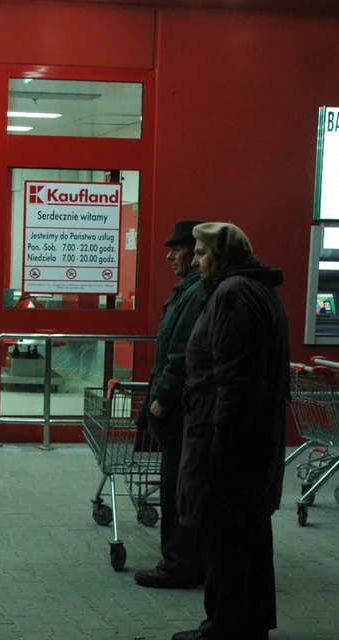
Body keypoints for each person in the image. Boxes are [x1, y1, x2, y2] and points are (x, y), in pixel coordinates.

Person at [171, 222, 289, 640]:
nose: (196, 261)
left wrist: (222, 441)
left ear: (219, 257)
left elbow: (235, 379)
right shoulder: (259, 290)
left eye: (201, 254)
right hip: (256, 430)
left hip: (228, 431)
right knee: (250, 529)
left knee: (223, 530)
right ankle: (253, 619)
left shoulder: (233, 294)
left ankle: (222, 627)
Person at [133, 219, 207, 590]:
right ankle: (187, 559)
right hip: (184, 408)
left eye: (176, 248)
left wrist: (162, 398)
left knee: (177, 487)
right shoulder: (189, 291)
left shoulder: (195, 294)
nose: (169, 255)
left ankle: (178, 563)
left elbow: (181, 355)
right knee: (180, 485)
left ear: (197, 253)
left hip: (180, 410)